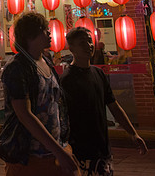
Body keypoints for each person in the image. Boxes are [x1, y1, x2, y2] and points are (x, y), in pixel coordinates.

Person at [0, 11, 78, 176]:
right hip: (29, 155)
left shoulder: (45, 61)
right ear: (30, 35)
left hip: (56, 150)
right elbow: (24, 114)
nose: (50, 33)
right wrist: (58, 151)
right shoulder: (17, 67)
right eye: (45, 29)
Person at [60, 27, 147, 175]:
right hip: (80, 150)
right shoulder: (67, 79)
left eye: (89, 41)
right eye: (82, 43)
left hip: (103, 148)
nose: (88, 46)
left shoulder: (98, 73)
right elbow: (62, 117)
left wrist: (133, 133)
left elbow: (113, 105)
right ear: (71, 48)